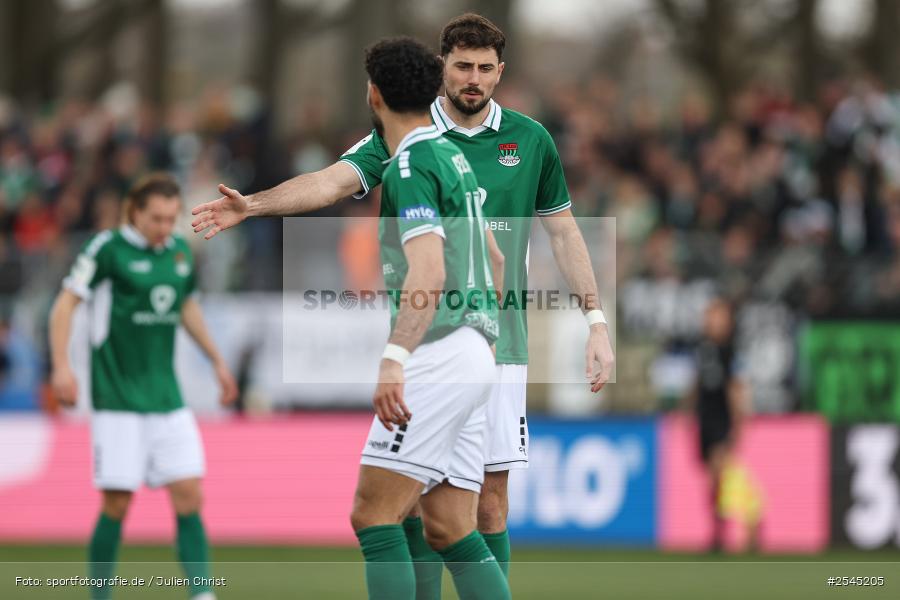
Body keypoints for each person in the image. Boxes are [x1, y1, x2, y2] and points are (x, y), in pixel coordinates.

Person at [191, 12, 615, 592]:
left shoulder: (516, 141)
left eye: (485, 69)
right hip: (468, 338)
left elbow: (560, 235)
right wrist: (256, 204)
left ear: (500, 73)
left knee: (464, 509)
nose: (474, 78)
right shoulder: (416, 144)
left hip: (476, 344)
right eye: (463, 66)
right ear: (441, 68)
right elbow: (331, 181)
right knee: (429, 513)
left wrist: (594, 319)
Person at [350, 37, 508, 600]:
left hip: (438, 355)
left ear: (374, 95)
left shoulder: (411, 163)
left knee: (374, 515)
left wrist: (394, 359)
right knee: (448, 526)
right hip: (474, 352)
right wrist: (482, 334)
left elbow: (428, 272)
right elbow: (493, 257)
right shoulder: (452, 154)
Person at [49, 173, 237, 600]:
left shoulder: (177, 254)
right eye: (157, 219)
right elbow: (65, 304)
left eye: (171, 219)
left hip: (167, 399)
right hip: (117, 399)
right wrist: (62, 366)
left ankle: (202, 595)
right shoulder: (107, 250)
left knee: (189, 493)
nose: (165, 229)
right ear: (134, 212)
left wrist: (217, 361)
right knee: (117, 503)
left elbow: (185, 305)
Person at [690, 298, 752, 551]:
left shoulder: (730, 350)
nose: (711, 321)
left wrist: (738, 420)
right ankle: (722, 525)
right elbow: (697, 383)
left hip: (721, 417)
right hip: (704, 418)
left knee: (720, 472)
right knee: (714, 478)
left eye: (716, 316)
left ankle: (726, 527)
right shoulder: (703, 349)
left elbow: (736, 387)